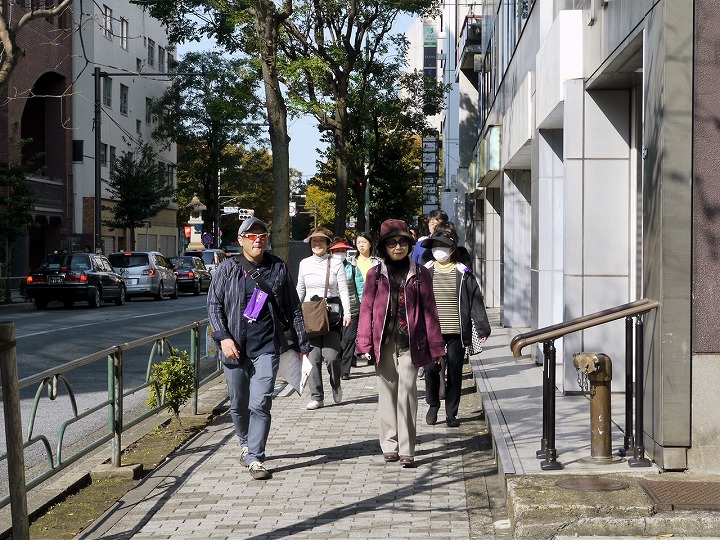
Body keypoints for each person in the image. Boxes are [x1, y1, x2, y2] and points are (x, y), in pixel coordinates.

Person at [207, 216, 311, 481]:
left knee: (261, 402)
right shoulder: (227, 269)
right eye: (251, 236)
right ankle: (244, 443)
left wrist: (302, 344)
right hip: (234, 347)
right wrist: (223, 338)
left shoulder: (278, 268)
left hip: (267, 345)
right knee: (239, 403)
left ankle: (255, 456)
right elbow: (214, 306)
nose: (257, 240)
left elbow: (293, 308)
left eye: (262, 235)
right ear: (240, 240)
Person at [356, 219, 446, 467]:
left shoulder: (420, 274)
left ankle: (407, 448)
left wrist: (436, 347)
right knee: (387, 394)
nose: (398, 247)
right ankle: (389, 444)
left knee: (407, 393)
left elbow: (430, 311)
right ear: (384, 246)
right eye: (392, 242)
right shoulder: (375, 275)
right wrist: (363, 344)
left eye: (403, 242)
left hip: (411, 342)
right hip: (383, 342)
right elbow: (366, 310)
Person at [421, 225, 491, 427]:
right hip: (431, 331)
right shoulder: (424, 272)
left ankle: (452, 413)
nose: (438, 250)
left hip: (457, 332)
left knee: (454, 371)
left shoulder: (463, 273)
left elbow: (474, 300)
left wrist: (482, 326)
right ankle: (433, 404)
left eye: (442, 246)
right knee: (431, 370)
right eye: (434, 246)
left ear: (452, 250)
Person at [297, 226, 352, 410]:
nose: (317, 243)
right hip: (310, 314)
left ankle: (336, 385)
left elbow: (344, 290)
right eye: (314, 240)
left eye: (321, 240)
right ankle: (317, 396)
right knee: (313, 359)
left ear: (328, 244)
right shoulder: (304, 264)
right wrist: (295, 313)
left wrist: (348, 313)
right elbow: (300, 289)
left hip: (331, 315)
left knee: (332, 357)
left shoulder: (336, 263)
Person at [328, 237, 364, 380]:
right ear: (331, 252)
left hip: (353, 309)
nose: (340, 253)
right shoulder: (327, 269)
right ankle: (335, 366)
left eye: (343, 250)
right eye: (337, 250)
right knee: (337, 340)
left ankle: (345, 370)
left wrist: (363, 308)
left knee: (349, 339)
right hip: (333, 311)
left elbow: (361, 290)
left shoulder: (353, 269)